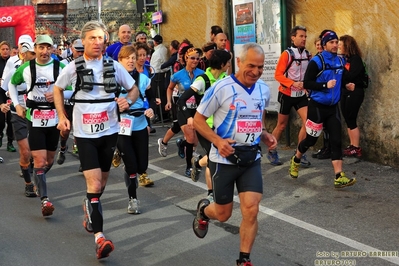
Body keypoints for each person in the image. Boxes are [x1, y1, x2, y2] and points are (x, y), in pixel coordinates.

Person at [53, 21, 139, 259]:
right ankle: (100, 238)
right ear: (84, 41)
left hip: (109, 131)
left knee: (100, 184)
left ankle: (89, 206)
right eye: (92, 38)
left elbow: (133, 89)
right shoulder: (74, 67)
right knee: (95, 185)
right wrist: (62, 116)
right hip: (84, 134)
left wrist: (128, 101)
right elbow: (58, 89)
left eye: (101, 38)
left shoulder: (113, 65)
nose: (97, 42)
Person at [192, 42, 277, 266]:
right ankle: (203, 212)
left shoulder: (263, 90)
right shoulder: (221, 88)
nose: (256, 72)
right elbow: (198, 120)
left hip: (251, 158)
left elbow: (258, 118)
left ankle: (244, 259)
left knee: (251, 208)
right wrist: (218, 141)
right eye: (251, 66)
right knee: (223, 214)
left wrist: (265, 133)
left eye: (260, 67)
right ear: (238, 62)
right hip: (223, 160)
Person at [289, 30, 357, 189]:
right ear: (325, 44)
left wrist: (347, 85)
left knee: (336, 140)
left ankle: (339, 176)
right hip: (317, 107)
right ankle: (297, 158)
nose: (335, 45)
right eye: (331, 42)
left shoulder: (340, 60)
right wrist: (325, 85)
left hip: (333, 108)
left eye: (336, 42)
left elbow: (342, 79)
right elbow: (307, 83)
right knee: (311, 139)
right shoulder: (317, 62)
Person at [9, 35, 66, 216]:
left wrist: (60, 96)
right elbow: (12, 83)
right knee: (40, 161)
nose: (44, 51)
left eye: (48, 48)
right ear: (36, 48)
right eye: (41, 47)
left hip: (54, 118)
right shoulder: (27, 68)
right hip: (34, 118)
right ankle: (45, 200)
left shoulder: (61, 67)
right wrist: (17, 105)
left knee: (49, 160)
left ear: (52, 49)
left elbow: (74, 87)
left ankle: (37, 176)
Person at [177, 49, 231, 202]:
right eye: (228, 62)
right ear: (221, 64)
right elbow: (182, 101)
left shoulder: (224, 79)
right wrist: (189, 117)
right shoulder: (202, 80)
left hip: (221, 126)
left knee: (217, 155)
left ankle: (198, 162)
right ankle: (210, 192)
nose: (229, 65)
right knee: (214, 157)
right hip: (204, 126)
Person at [117, 45, 155, 213]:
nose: (131, 61)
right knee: (131, 166)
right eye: (128, 58)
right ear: (120, 61)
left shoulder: (143, 79)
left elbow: (151, 98)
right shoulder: (114, 80)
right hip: (122, 126)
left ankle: (123, 156)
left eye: (134, 58)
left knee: (142, 166)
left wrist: (151, 108)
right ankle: (133, 199)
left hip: (140, 124)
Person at [266, 25, 311, 167]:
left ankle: (299, 153)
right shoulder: (287, 54)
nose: (304, 39)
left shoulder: (308, 54)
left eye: (305, 36)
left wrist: (307, 86)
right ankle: (272, 150)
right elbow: (277, 75)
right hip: (286, 94)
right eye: (301, 36)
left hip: (301, 94)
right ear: (293, 37)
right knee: (281, 125)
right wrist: (292, 83)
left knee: (308, 123)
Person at [1, 41, 36, 197]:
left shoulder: (43, 70)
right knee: (25, 150)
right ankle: (28, 184)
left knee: (37, 152)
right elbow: (2, 89)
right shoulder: (15, 70)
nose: (35, 57)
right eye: (32, 54)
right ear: (23, 54)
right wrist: (2, 103)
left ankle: (33, 168)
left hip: (38, 114)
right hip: (18, 113)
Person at [166, 47, 204, 177]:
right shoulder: (177, 75)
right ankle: (188, 167)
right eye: (192, 58)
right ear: (186, 58)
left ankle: (181, 143)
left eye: (197, 58)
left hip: (196, 109)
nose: (195, 60)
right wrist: (169, 101)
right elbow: (169, 88)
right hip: (182, 109)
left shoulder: (201, 73)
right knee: (191, 137)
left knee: (194, 141)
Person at [56, 38, 85, 165]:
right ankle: (63, 148)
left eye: (82, 51)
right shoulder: (64, 64)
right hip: (67, 103)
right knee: (66, 131)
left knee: (82, 132)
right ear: (72, 49)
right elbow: (59, 86)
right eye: (78, 51)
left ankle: (83, 161)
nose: (80, 53)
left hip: (81, 104)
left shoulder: (88, 63)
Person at [339, 35, 365, 158]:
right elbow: (344, 78)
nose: (338, 46)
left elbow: (351, 76)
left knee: (351, 118)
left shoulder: (355, 60)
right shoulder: (345, 59)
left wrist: (342, 75)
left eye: (340, 44)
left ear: (347, 46)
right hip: (346, 92)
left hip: (355, 93)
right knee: (348, 119)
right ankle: (352, 145)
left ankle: (356, 147)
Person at [311, 35, 331, 160]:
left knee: (328, 126)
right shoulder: (315, 59)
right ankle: (325, 147)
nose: (319, 47)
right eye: (317, 45)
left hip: (327, 97)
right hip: (317, 97)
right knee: (321, 126)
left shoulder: (329, 60)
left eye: (320, 45)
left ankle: (328, 148)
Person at [0, 40, 16, 152]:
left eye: (7, 49)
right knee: (1, 120)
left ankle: (10, 142)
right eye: (3, 49)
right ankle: (0, 135)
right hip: (0, 93)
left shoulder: (13, 62)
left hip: (10, 92)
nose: (5, 51)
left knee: (11, 119)